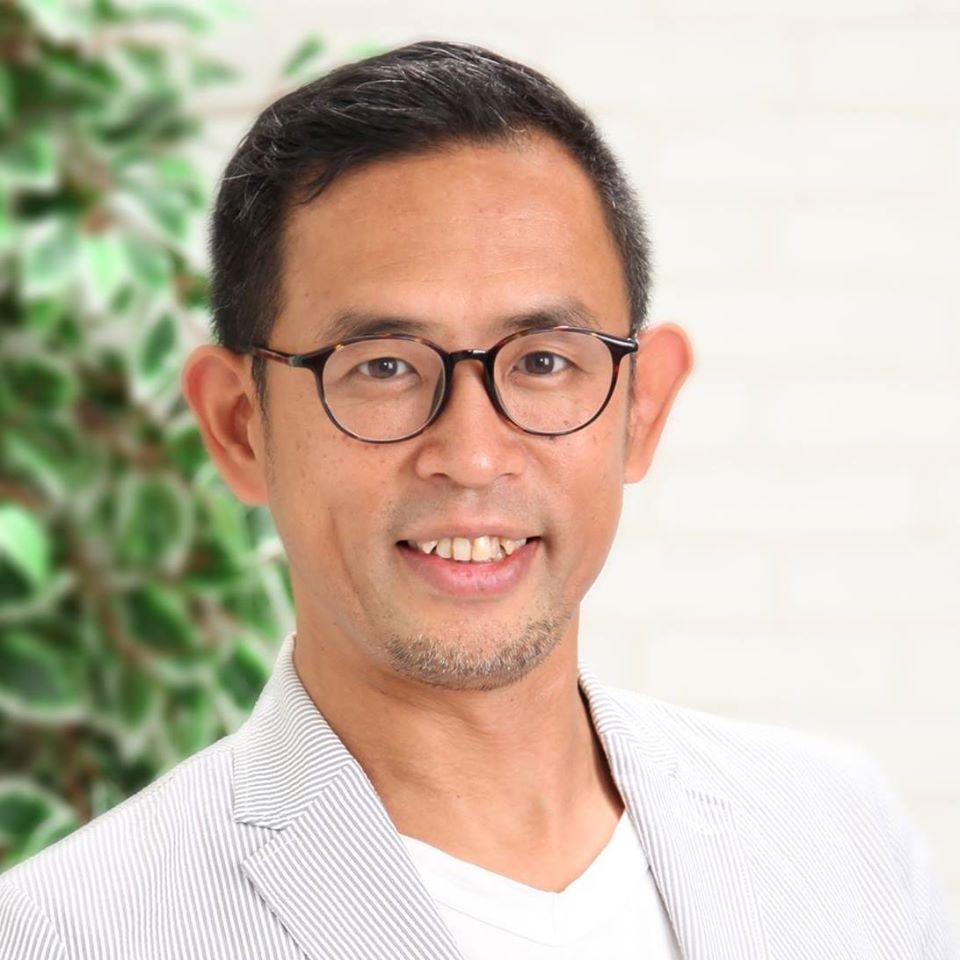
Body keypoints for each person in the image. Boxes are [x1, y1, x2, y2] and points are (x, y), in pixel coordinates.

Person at [0, 38, 955, 960]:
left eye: (543, 362)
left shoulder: (843, 837)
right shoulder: (70, 936)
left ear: (642, 409)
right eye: (382, 367)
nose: (472, 455)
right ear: (240, 427)